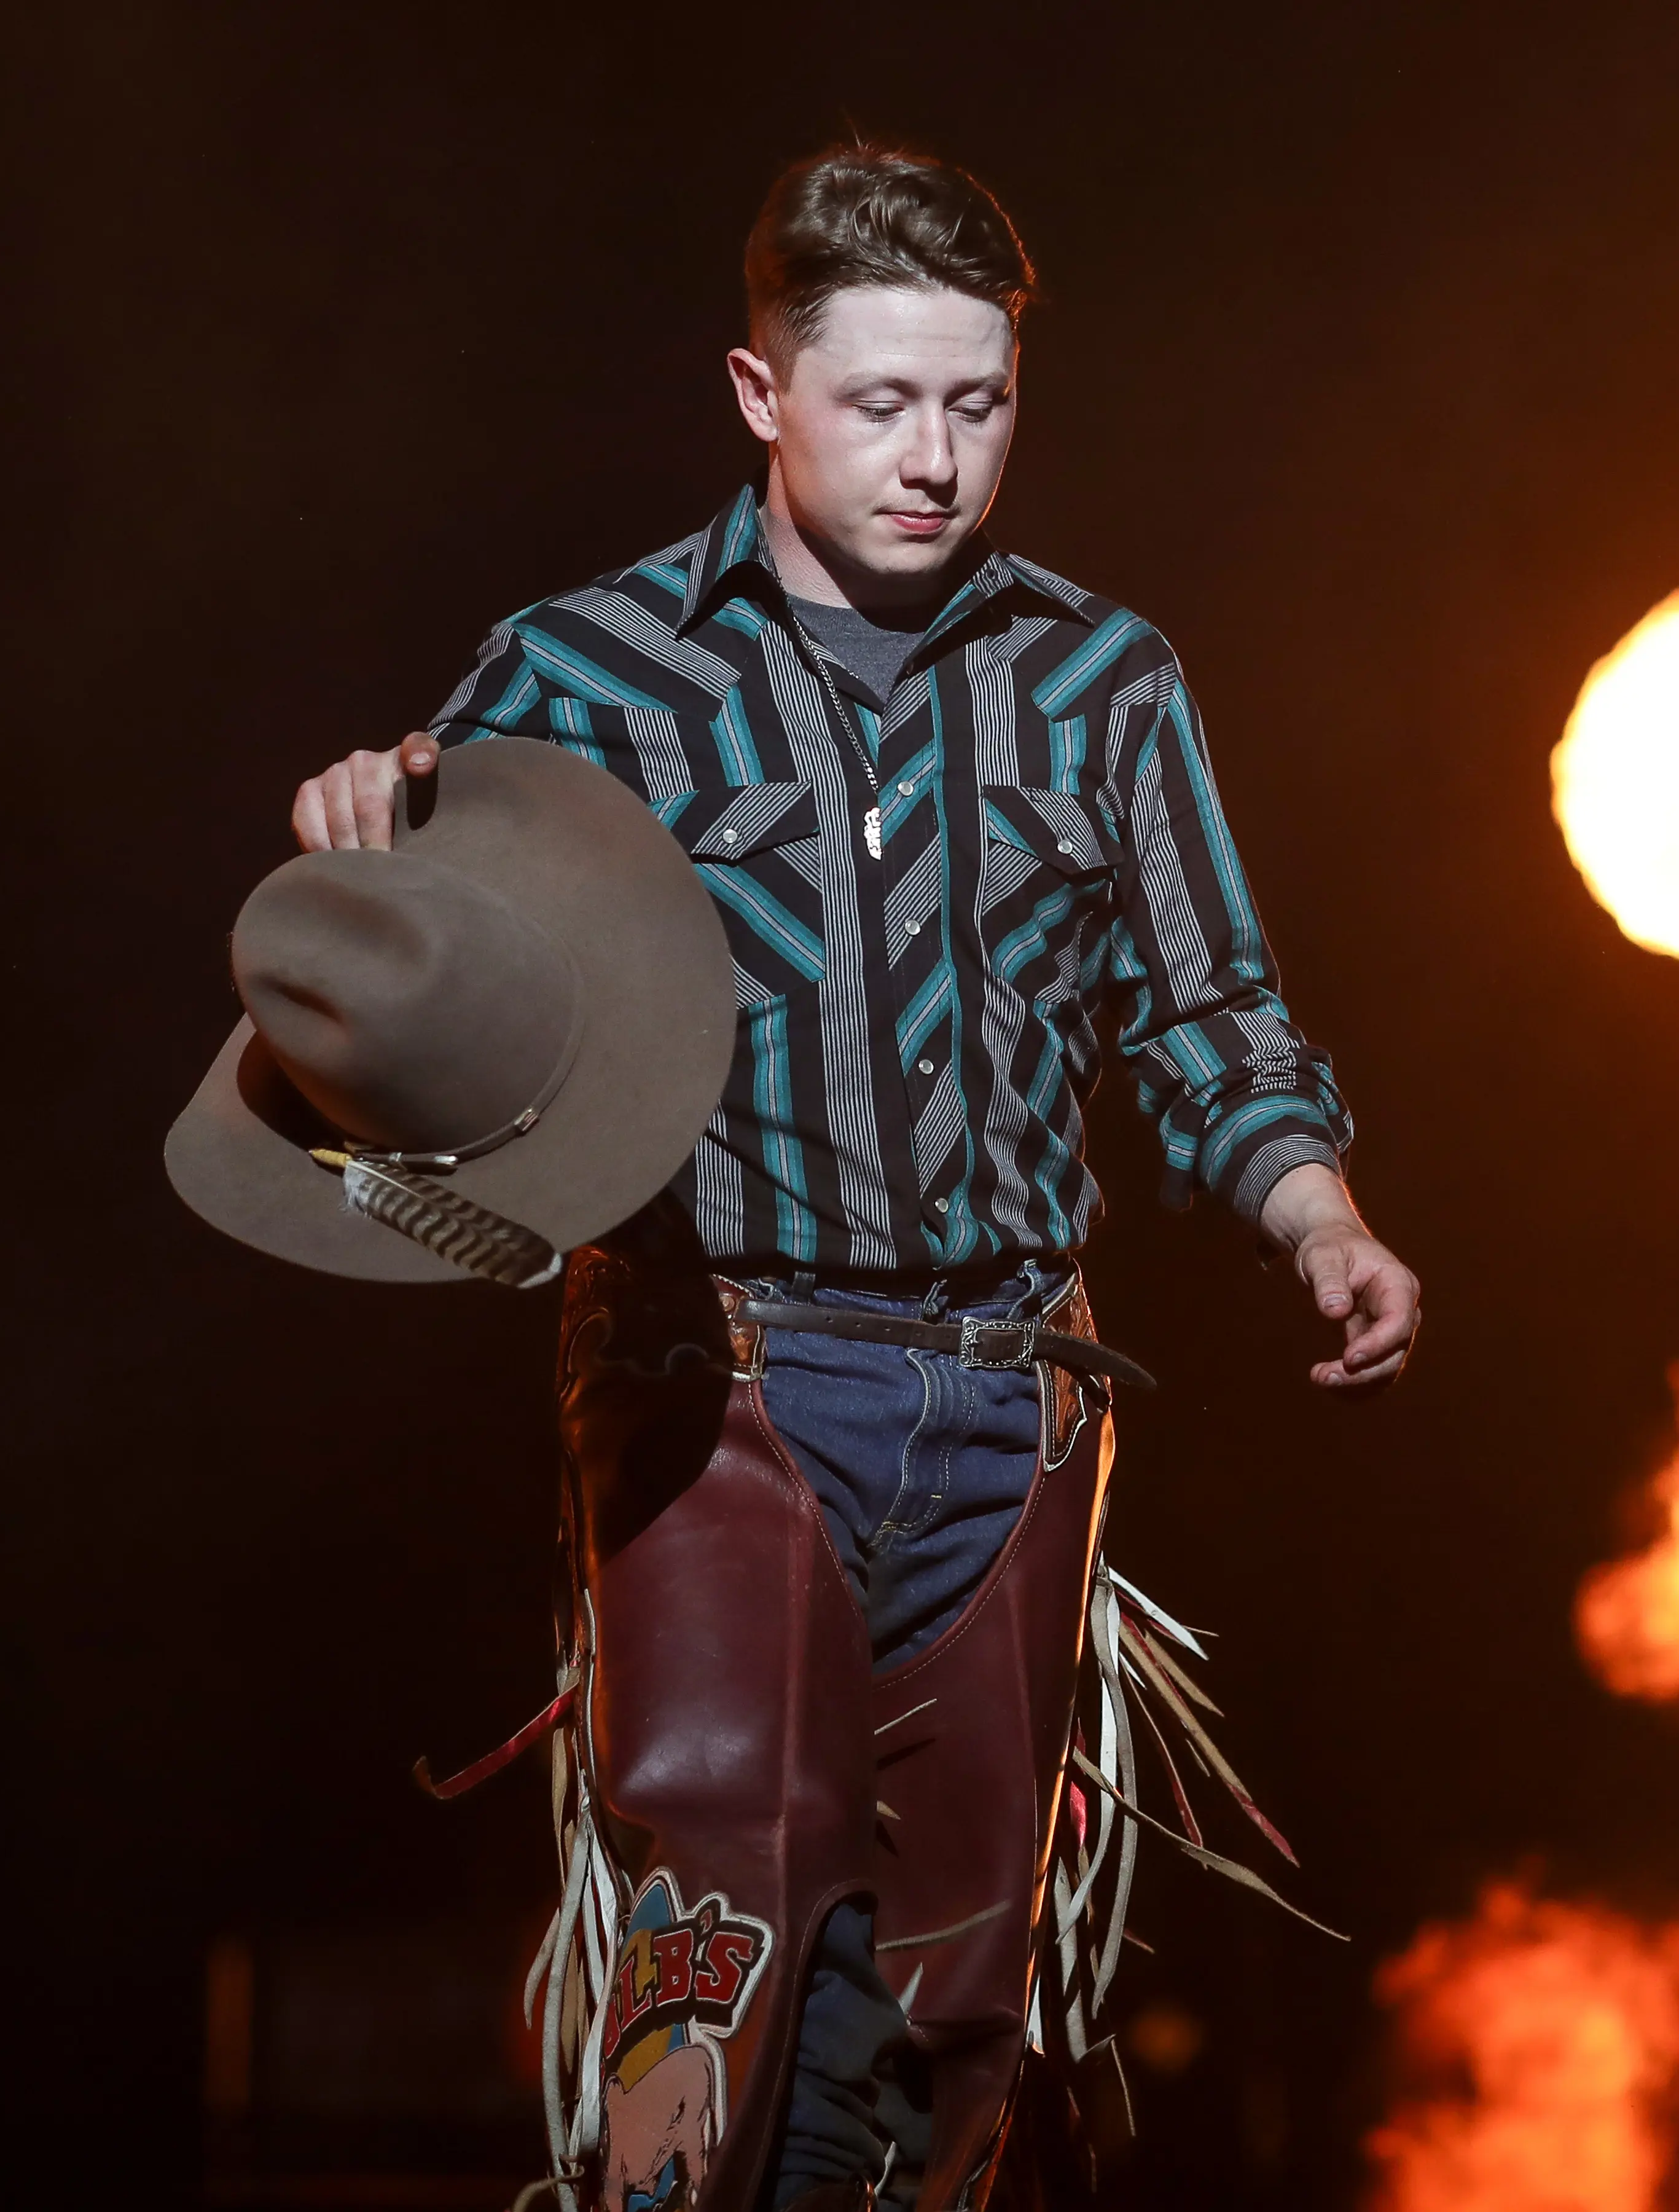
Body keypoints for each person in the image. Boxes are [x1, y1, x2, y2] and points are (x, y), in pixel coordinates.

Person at [286, 141, 1418, 2212]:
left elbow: (1206, 1009)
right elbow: (414, 995)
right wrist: (382, 827)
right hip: (719, 1384)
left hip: (1019, 1398)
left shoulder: (1106, 684)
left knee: (956, 2005)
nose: (934, 459)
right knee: (721, 1937)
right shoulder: (586, 676)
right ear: (760, 395)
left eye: (977, 406)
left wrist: (1319, 1212)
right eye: (880, 404)